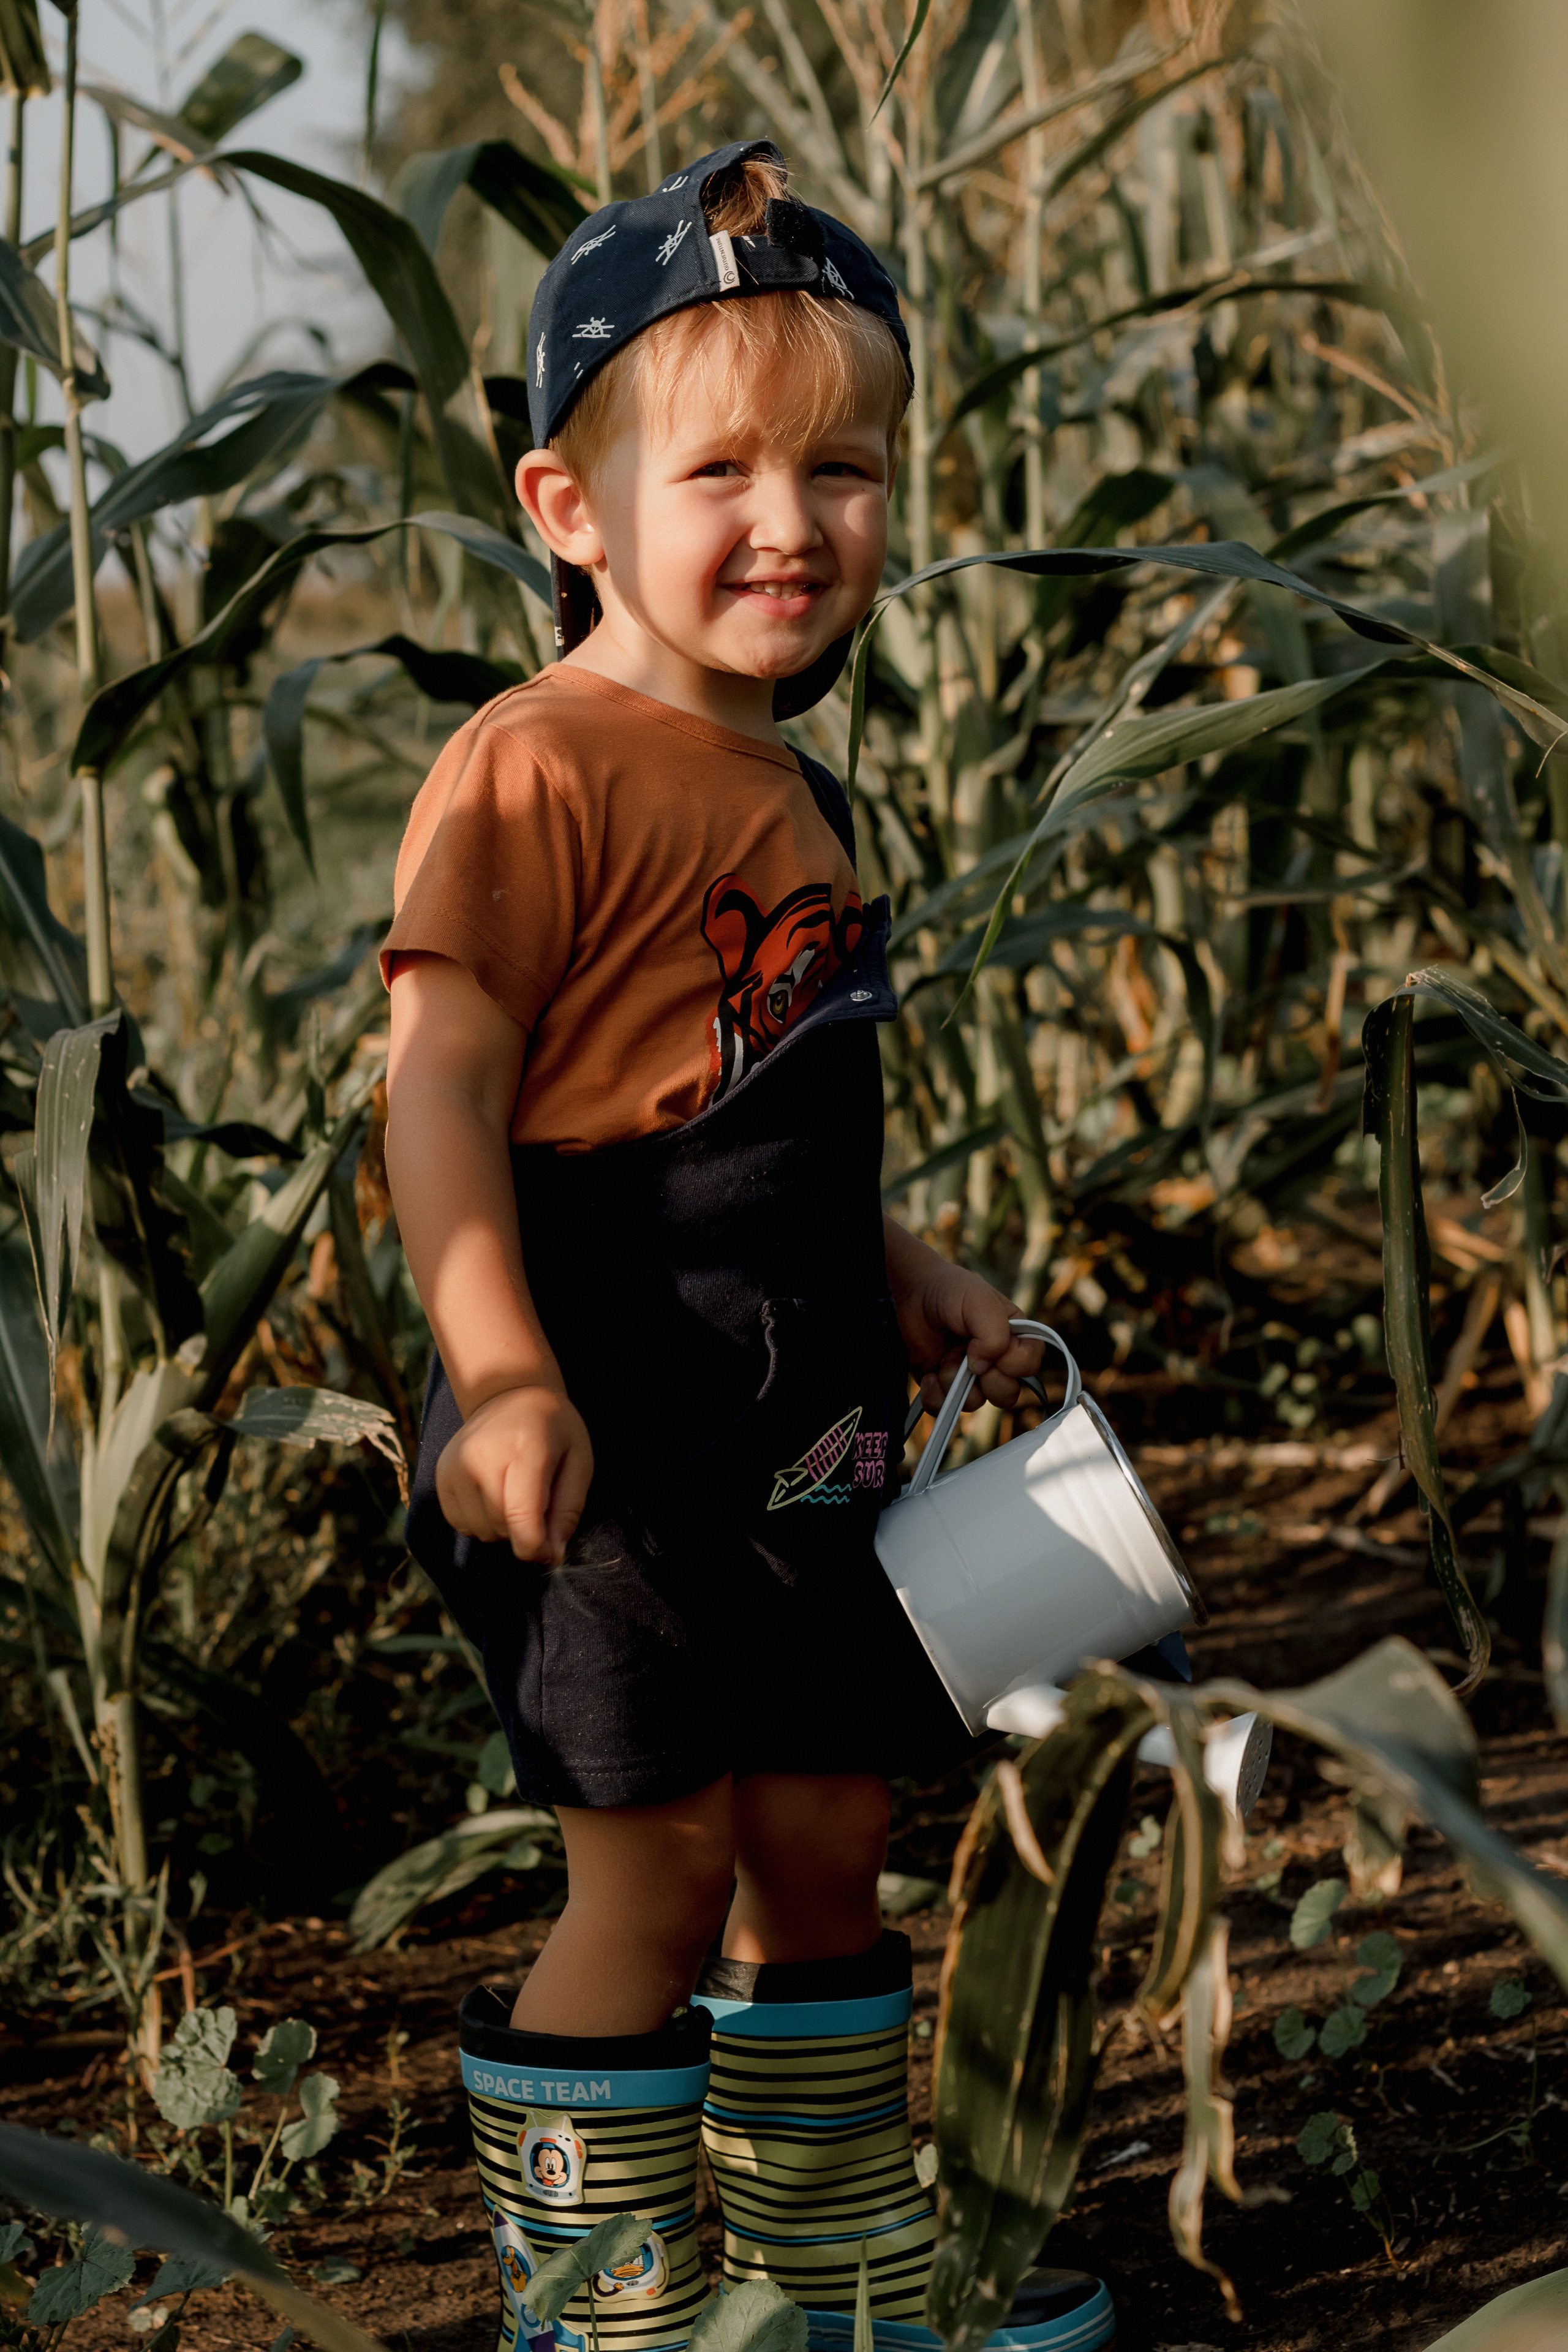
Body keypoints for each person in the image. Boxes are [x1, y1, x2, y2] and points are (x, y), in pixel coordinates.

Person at [382, 140, 1115, 2352]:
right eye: (721, 467)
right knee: (657, 1860)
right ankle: (606, 2304)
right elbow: (442, 1091)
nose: (793, 519)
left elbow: (743, 1101)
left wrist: (905, 1271)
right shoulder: (535, 766)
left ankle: (830, 2267)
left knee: (821, 1825)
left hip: (799, 1414)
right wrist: (499, 1371)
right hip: (602, 1404)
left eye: (848, 467)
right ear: (568, 507)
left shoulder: (787, 792)